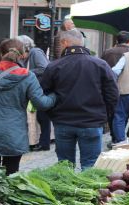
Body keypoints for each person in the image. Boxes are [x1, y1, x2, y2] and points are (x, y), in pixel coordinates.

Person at [0, 39, 56, 175]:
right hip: (12, 133)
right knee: (10, 175)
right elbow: (42, 104)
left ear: (1, 53)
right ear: (22, 55)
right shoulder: (28, 76)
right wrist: (55, 96)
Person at [41, 30, 118, 169]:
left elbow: (44, 95)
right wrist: (104, 116)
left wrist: (54, 116)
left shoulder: (54, 66)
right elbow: (112, 94)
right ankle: (88, 191)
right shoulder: (100, 64)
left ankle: (65, 191)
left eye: (59, 44)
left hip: (63, 122)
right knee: (90, 165)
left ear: (65, 43)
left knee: (65, 165)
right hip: (91, 122)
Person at [18, 35, 52, 151]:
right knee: (37, 117)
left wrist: (26, 72)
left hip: (42, 88)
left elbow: (44, 68)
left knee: (43, 116)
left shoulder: (35, 52)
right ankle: (38, 142)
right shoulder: (24, 56)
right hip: (33, 88)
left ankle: (44, 143)